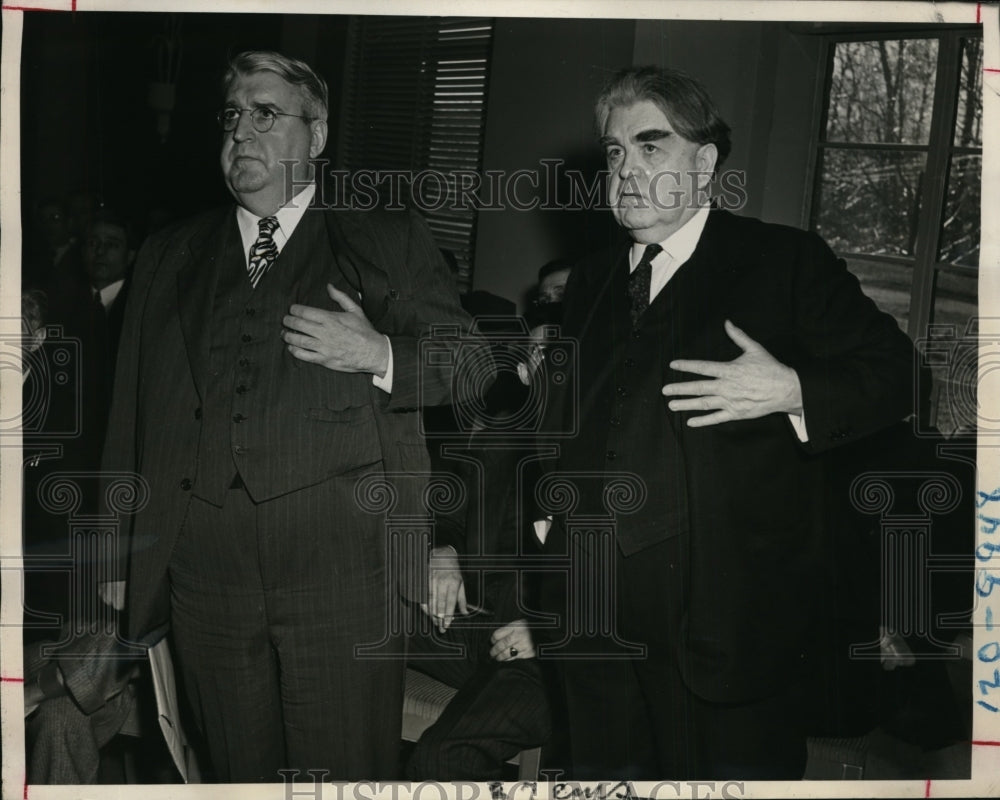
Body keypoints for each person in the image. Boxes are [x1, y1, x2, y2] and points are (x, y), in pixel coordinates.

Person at [99, 50, 484, 781]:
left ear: (317, 135)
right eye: (232, 116)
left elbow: (470, 366)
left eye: (266, 114)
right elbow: (131, 412)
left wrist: (379, 352)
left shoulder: (384, 238)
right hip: (201, 571)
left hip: (342, 570)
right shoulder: (169, 254)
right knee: (235, 775)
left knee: (339, 776)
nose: (242, 133)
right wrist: (119, 547)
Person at [536, 65, 917, 780]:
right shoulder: (590, 279)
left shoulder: (782, 261)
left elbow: (899, 376)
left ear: (705, 162)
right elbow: (576, 424)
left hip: (726, 628)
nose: (625, 169)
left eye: (651, 147)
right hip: (591, 617)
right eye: (615, 152)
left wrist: (794, 389)